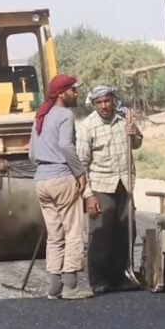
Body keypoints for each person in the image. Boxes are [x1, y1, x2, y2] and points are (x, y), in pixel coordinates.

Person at [28, 74, 94, 300]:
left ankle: (53, 286)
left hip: (41, 180)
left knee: (54, 235)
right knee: (73, 231)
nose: (76, 93)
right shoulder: (65, 115)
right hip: (62, 177)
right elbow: (66, 145)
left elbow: (32, 153)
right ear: (61, 93)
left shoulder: (40, 116)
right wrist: (80, 173)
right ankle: (70, 286)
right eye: (73, 90)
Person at [77, 85, 143, 293]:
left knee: (126, 231)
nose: (104, 106)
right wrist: (88, 196)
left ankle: (121, 276)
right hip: (100, 186)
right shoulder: (88, 126)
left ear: (114, 100)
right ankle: (99, 281)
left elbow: (137, 144)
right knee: (101, 233)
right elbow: (81, 164)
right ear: (94, 104)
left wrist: (135, 134)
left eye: (107, 101)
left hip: (125, 184)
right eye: (99, 102)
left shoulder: (126, 120)